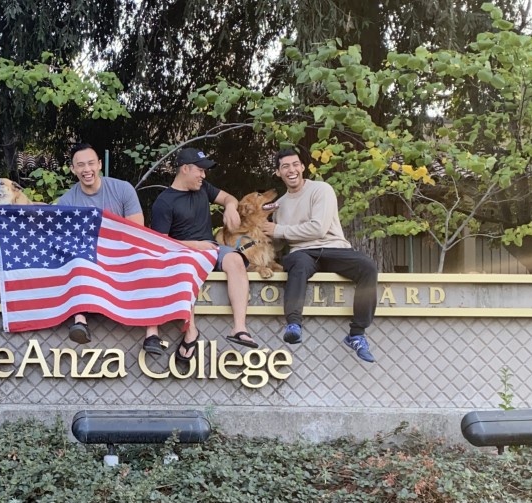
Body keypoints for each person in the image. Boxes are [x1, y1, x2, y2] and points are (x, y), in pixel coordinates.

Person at [259, 147, 378, 363]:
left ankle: (357, 334)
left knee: (368, 267)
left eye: (295, 164)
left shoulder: (321, 190)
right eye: (285, 166)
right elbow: (278, 244)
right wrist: (259, 232)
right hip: (302, 253)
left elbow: (318, 229)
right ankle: (293, 324)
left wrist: (278, 230)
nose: (291, 170)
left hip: (333, 247)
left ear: (303, 167)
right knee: (297, 263)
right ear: (278, 173)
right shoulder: (279, 205)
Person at [148, 147, 254, 365]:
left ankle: (239, 328)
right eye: (200, 170)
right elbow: (159, 243)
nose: (204, 176)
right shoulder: (164, 202)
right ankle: (191, 332)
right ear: (185, 169)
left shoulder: (203, 188)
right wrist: (195, 245)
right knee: (187, 266)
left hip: (211, 250)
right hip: (183, 254)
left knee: (235, 259)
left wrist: (231, 208)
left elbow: (228, 198)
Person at [55, 142, 144, 344]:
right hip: (89, 258)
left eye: (91, 163)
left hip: (122, 252)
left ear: (100, 164)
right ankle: (80, 321)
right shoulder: (66, 202)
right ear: (73, 169)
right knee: (74, 260)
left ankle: (152, 334)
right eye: (81, 165)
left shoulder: (122, 189)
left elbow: (137, 231)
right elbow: (68, 241)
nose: (87, 170)